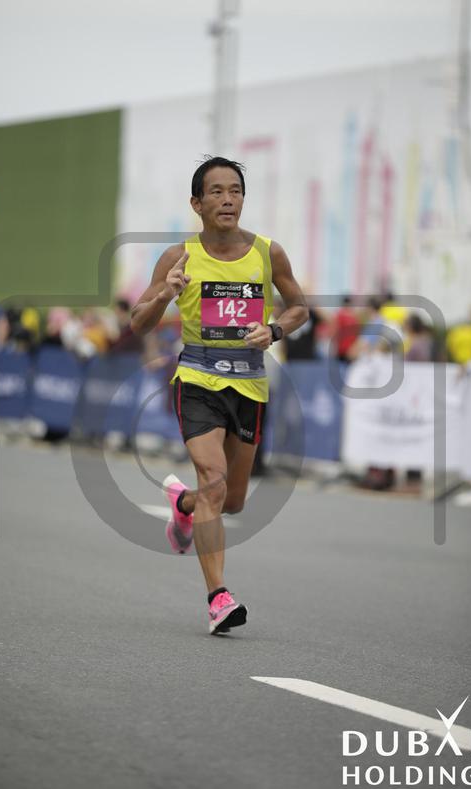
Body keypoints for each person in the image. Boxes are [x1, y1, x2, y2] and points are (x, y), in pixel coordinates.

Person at [131, 156, 308, 634]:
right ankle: (219, 599)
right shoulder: (178, 257)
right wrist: (165, 294)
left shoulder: (268, 253)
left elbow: (299, 308)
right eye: (216, 192)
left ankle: (184, 505)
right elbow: (138, 322)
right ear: (197, 203)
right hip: (197, 379)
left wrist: (274, 329)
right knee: (213, 479)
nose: (228, 199)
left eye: (235, 191)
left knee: (231, 501)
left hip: (249, 383)